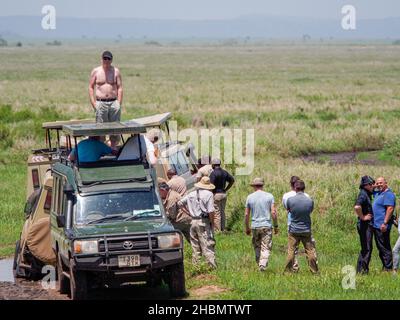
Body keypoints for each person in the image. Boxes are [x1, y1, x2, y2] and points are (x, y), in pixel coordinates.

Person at [178, 176, 217, 268]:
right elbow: (211, 211)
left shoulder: (191, 194)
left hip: (193, 221)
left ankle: (197, 266)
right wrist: (212, 222)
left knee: (195, 245)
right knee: (207, 243)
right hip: (203, 221)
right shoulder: (209, 194)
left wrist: (188, 213)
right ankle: (211, 266)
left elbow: (179, 203)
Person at [89, 51, 123, 148]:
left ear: (111, 60)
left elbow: (120, 87)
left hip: (113, 102)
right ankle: (102, 149)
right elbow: (91, 87)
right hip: (100, 102)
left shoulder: (116, 71)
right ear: (101, 59)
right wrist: (93, 103)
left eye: (108, 59)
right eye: (105, 58)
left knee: (115, 127)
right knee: (100, 128)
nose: (106, 60)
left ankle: (113, 148)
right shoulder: (96, 71)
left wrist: (119, 103)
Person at [284, 180, 318, 274]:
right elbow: (310, 211)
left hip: (294, 229)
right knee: (310, 251)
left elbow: (289, 211)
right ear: (304, 188)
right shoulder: (310, 201)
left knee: (291, 251)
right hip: (306, 229)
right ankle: (314, 271)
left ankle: (288, 271)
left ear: (295, 188)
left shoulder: (290, 200)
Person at [245, 177, 278, 272]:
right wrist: (276, 226)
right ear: (262, 185)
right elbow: (273, 212)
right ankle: (262, 265)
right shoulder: (269, 196)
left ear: (254, 186)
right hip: (266, 225)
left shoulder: (249, 197)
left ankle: (259, 263)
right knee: (266, 247)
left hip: (255, 225)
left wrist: (247, 227)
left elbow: (246, 214)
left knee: (257, 246)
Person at [372, 177, 395, 271]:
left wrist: (385, 223)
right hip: (376, 225)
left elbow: (390, 209)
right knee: (380, 246)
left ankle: (388, 268)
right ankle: (385, 266)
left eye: (381, 183)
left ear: (386, 183)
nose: (379, 185)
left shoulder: (388, 194)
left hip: (382, 226)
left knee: (385, 247)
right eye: (377, 183)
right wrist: (374, 186)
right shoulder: (378, 193)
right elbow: (371, 190)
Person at [354, 175, 375, 274]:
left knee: (365, 248)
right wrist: (363, 217)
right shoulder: (363, 194)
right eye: (371, 184)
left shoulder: (366, 193)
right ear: (366, 185)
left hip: (365, 225)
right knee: (367, 248)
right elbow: (357, 207)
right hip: (364, 225)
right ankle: (363, 271)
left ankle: (360, 270)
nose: (373, 186)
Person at [209, 158, 235, 232]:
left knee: (217, 213)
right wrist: (226, 189)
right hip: (223, 194)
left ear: (213, 164)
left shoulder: (213, 173)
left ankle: (218, 230)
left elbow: (211, 185)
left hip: (216, 194)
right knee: (222, 212)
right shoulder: (224, 172)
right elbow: (232, 180)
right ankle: (223, 228)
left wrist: (210, 194)